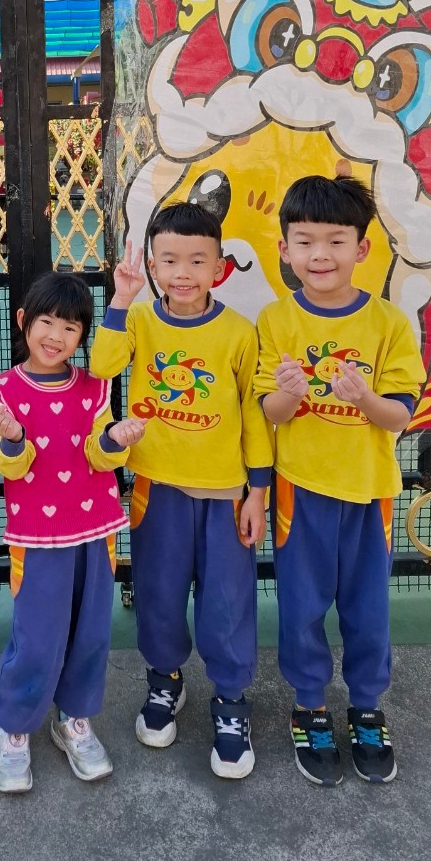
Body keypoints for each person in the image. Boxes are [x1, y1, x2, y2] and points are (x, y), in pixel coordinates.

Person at [91, 202, 272, 779]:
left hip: (225, 496)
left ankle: (231, 701)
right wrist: (121, 299)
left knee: (227, 603)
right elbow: (101, 366)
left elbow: (254, 417)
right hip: (157, 491)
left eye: (198, 260)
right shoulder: (140, 320)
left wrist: (258, 492)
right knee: (160, 595)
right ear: (152, 265)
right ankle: (165, 680)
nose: (183, 272)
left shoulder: (239, 332)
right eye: (169, 260)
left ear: (219, 267)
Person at [256, 174, 424, 786]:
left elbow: (399, 415)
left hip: (369, 491)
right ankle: (309, 706)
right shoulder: (275, 320)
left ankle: (367, 706)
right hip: (299, 490)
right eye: (304, 241)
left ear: (362, 248)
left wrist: (366, 399)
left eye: (335, 240)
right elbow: (270, 412)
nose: (319, 255)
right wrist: (288, 394)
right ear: (284, 249)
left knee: (367, 608)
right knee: (301, 606)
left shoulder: (388, 324)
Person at [0, 272, 144, 793]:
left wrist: (116, 437)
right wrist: (13, 438)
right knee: (37, 638)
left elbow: (100, 456)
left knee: (91, 633)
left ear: (82, 337)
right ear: (23, 322)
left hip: (96, 530)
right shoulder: (2, 390)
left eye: (70, 328)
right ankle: (13, 726)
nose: (55, 336)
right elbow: (9, 467)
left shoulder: (96, 388)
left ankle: (74, 720)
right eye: (46, 322)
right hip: (36, 538)